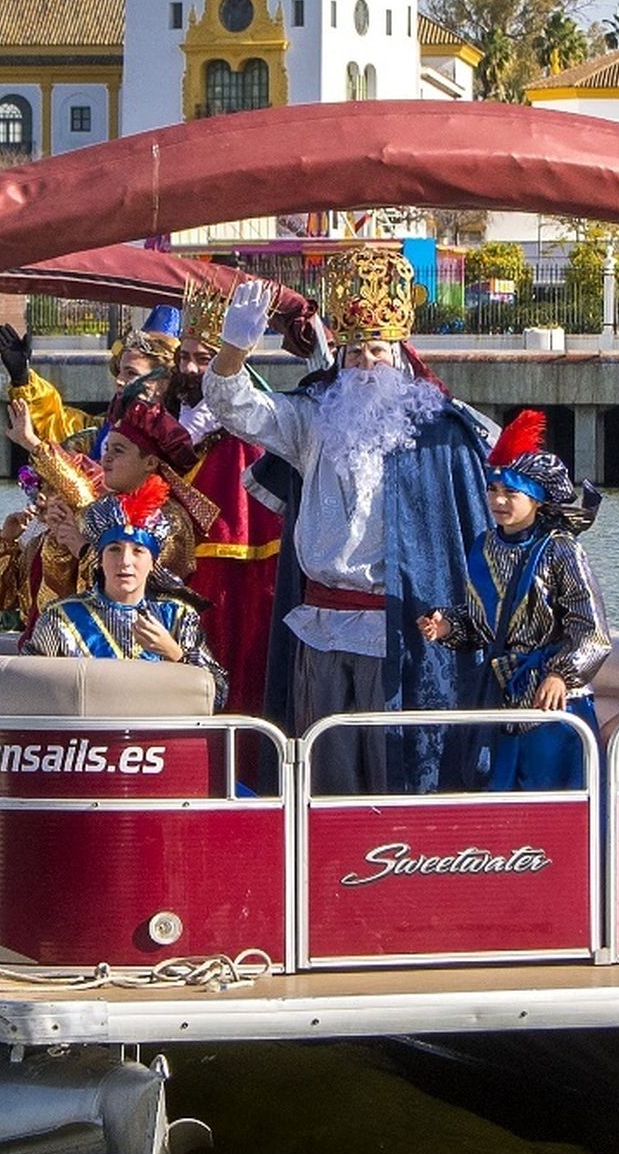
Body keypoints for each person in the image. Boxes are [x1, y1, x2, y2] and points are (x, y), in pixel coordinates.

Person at [202, 252, 491, 793]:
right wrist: (234, 350)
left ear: (399, 354)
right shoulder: (312, 420)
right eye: (353, 352)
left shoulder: (440, 427)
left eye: (376, 351)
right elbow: (233, 406)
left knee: (393, 774)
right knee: (323, 775)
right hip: (322, 628)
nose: (363, 365)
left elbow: (512, 476)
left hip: (403, 634)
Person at [418, 411, 610, 790]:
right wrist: (448, 626)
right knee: (493, 792)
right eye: (493, 490)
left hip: (553, 702)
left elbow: (591, 632)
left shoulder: (560, 550)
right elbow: (481, 626)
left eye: (511, 493)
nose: (498, 500)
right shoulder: (484, 546)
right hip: (500, 696)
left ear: (537, 500)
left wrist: (560, 675)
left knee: (554, 799)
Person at [167, 278, 284, 715]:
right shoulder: (166, 417)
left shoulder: (246, 435)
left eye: (204, 358)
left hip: (231, 585)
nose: (193, 369)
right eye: (185, 357)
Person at [25, 476, 227, 707]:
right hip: (86, 740)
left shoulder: (178, 617)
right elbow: (29, 692)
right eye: (114, 550)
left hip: (158, 738)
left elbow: (217, 697)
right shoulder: (60, 619)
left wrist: (174, 653)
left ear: (153, 562)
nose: (125, 562)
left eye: (138, 551)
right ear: (99, 559)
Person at [14, 386, 210, 589]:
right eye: (107, 448)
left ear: (150, 463)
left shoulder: (170, 518)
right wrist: (60, 541)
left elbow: (153, 588)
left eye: (118, 451)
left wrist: (82, 550)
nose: (106, 457)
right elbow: (66, 589)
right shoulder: (102, 508)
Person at [0, 307, 178, 456]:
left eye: (131, 373)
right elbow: (60, 425)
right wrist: (21, 377)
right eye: (119, 372)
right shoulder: (106, 427)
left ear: (163, 382)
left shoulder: (175, 437)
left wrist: (33, 445)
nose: (120, 381)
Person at [0, 463, 89, 640]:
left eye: (53, 489)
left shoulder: (92, 545)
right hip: (33, 644)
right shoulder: (34, 541)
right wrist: (6, 542)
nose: (40, 496)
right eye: (40, 485)